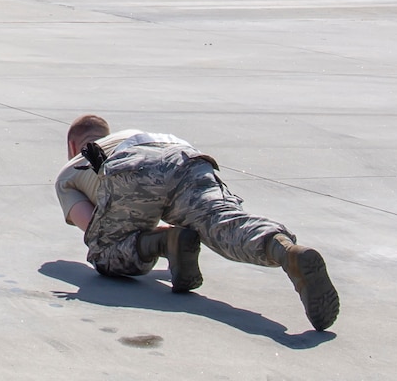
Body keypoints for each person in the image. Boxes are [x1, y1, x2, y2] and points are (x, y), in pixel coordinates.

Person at [57, 114, 339, 331]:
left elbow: (94, 226)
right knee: (224, 224)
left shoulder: (69, 170)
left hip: (128, 168)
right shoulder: (132, 133)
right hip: (184, 155)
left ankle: (166, 242)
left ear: (72, 145)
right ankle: (285, 251)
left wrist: (156, 237)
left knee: (105, 254)